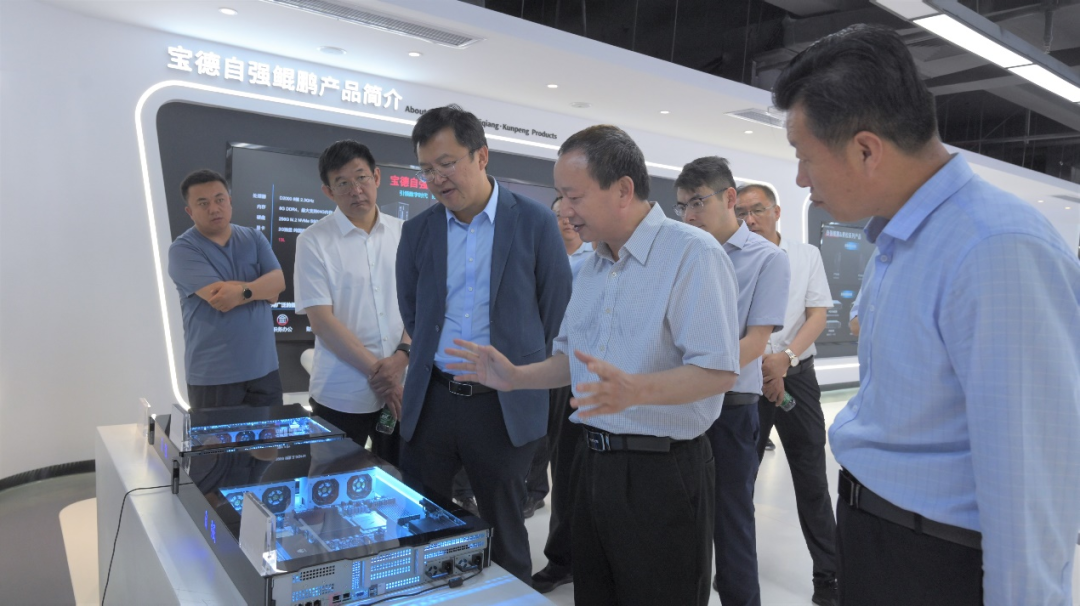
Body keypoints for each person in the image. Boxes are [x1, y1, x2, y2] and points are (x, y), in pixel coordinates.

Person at [774, 24, 1080, 606]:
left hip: (935, 564)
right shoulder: (899, 240)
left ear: (866, 150)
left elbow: (1030, 484)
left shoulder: (994, 247)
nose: (801, 179)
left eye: (805, 157)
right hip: (880, 542)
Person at [445, 124, 741, 605]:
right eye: (561, 196)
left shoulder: (692, 253)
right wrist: (516, 378)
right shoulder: (592, 266)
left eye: (574, 196)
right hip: (591, 463)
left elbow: (719, 370)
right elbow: (571, 359)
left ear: (623, 189)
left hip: (663, 471)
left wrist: (636, 390)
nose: (564, 210)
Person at [394, 104, 572, 583]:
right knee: (424, 524)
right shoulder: (418, 231)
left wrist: (519, 370)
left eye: (447, 164)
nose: (437, 179)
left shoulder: (534, 222)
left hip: (503, 403)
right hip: (433, 400)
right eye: (427, 169)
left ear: (481, 156)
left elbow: (555, 311)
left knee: (505, 529)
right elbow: (413, 312)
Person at [676, 157, 790, 606]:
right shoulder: (683, 251)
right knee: (682, 519)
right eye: (682, 205)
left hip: (731, 406)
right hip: (680, 403)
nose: (689, 215)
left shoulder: (768, 258)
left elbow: (756, 341)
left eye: (697, 202)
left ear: (728, 198)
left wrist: (695, 379)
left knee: (731, 518)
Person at [739, 183, 838, 605]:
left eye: (758, 210)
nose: (749, 219)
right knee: (739, 479)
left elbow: (817, 314)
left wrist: (785, 359)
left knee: (812, 477)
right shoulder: (731, 256)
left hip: (796, 374)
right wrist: (766, 364)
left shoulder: (805, 255)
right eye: (742, 212)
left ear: (777, 211)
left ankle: (829, 577)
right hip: (748, 378)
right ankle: (735, 568)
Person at [294, 140, 408, 463]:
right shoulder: (313, 241)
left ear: (377, 177)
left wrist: (402, 358)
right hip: (341, 393)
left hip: (402, 387)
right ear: (328, 191)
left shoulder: (405, 233)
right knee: (332, 482)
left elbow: (420, 306)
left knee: (401, 481)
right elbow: (322, 322)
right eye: (342, 183)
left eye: (361, 178)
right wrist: (382, 376)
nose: (356, 190)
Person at [168, 169, 285, 409]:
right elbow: (220, 297)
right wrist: (260, 289)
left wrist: (242, 292)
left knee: (270, 435)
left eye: (219, 199)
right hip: (214, 376)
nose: (214, 208)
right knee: (217, 436)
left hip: (266, 370)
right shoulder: (183, 250)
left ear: (229, 201)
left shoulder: (254, 238)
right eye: (203, 203)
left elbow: (278, 284)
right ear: (190, 212)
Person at [528, 196, 594, 593]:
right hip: (549, 366)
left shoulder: (597, 258)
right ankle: (561, 557)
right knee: (551, 458)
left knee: (580, 473)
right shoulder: (541, 257)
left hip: (590, 375)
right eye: (559, 214)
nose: (567, 219)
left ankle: (575, 560)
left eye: (573, 211)